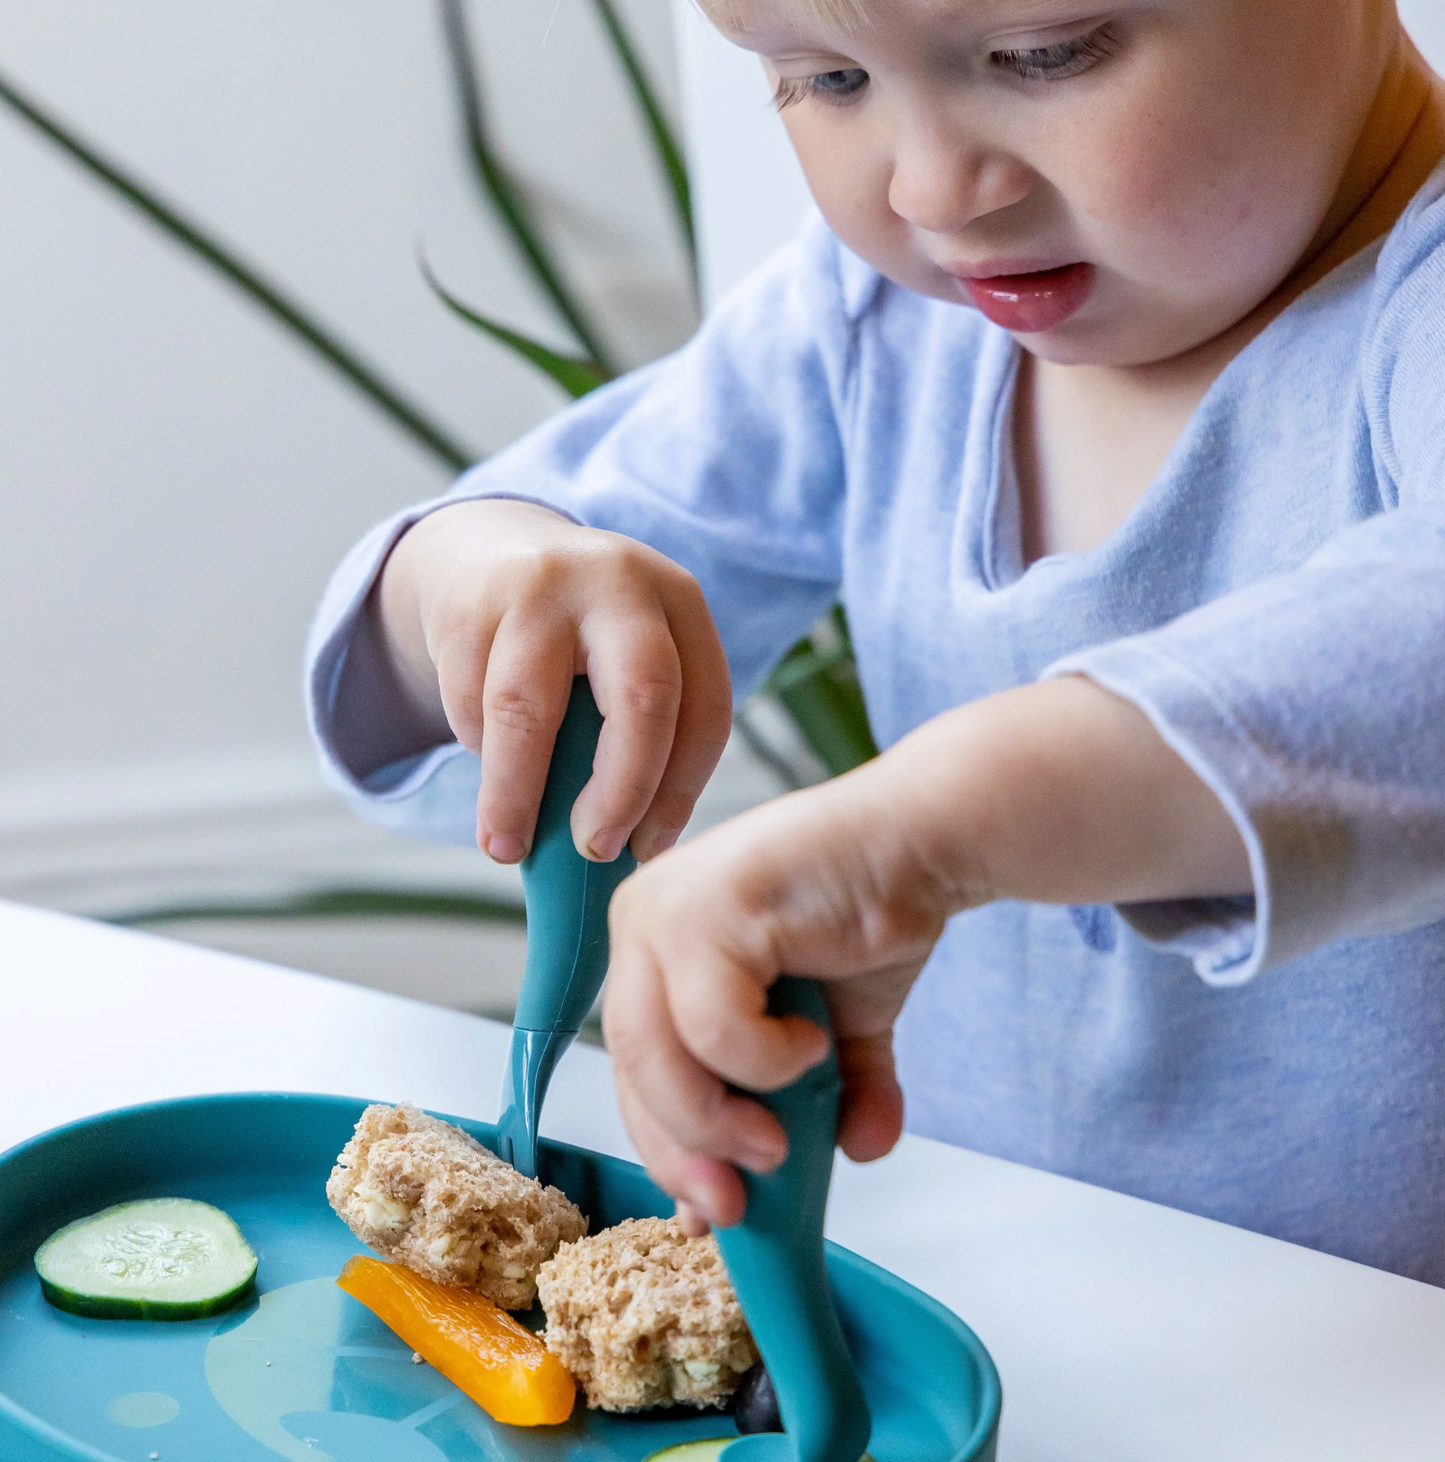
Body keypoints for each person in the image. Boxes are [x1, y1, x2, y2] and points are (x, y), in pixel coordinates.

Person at [308, 0, 1445, 1282]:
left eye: (1044, 54)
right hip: (991, 1301)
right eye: (827, 78)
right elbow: (467, 684)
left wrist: (935, 825)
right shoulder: (880, 323)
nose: (935, 189)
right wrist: (479, 584)